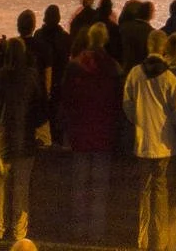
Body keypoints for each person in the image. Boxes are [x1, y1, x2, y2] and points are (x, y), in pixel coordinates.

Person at [123, 27, 176, 251]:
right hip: (164, 145)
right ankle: (161, 240)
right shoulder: (169, 78)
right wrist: (173, 129)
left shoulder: (135, 74)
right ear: (164, 48)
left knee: (144, 193)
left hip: (142, 142)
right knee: (161, 192)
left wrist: (137, 121)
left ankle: (143, 240)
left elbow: (127, 103)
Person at [0, 36, 48, 244]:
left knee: (0, 189)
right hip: (25, 141)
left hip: (2, 140)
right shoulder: (32, 78)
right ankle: (19, 232)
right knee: (21, 190)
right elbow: (40, 111)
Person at [61, 22, 121, 241]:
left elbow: (66, 100)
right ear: (104, 40)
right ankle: (96, 233)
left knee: (79, 185)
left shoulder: (74, 66)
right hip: (103, 134)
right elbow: (117, 103)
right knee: (99, 187)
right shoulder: (113, 67)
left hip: (80, 134)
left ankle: (78, 231)